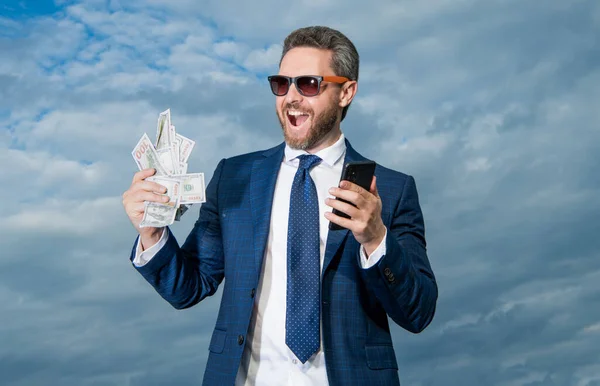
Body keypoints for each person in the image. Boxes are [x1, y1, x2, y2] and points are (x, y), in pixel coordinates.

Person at [122, 25, 437, 386]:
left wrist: (375, 238)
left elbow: (419, 312)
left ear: (346, 92)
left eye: (308, 84)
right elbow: (189, 287)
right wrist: (151, 231)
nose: (291, 97)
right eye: (281, 84)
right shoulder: (235, 177)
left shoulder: (393, 190)